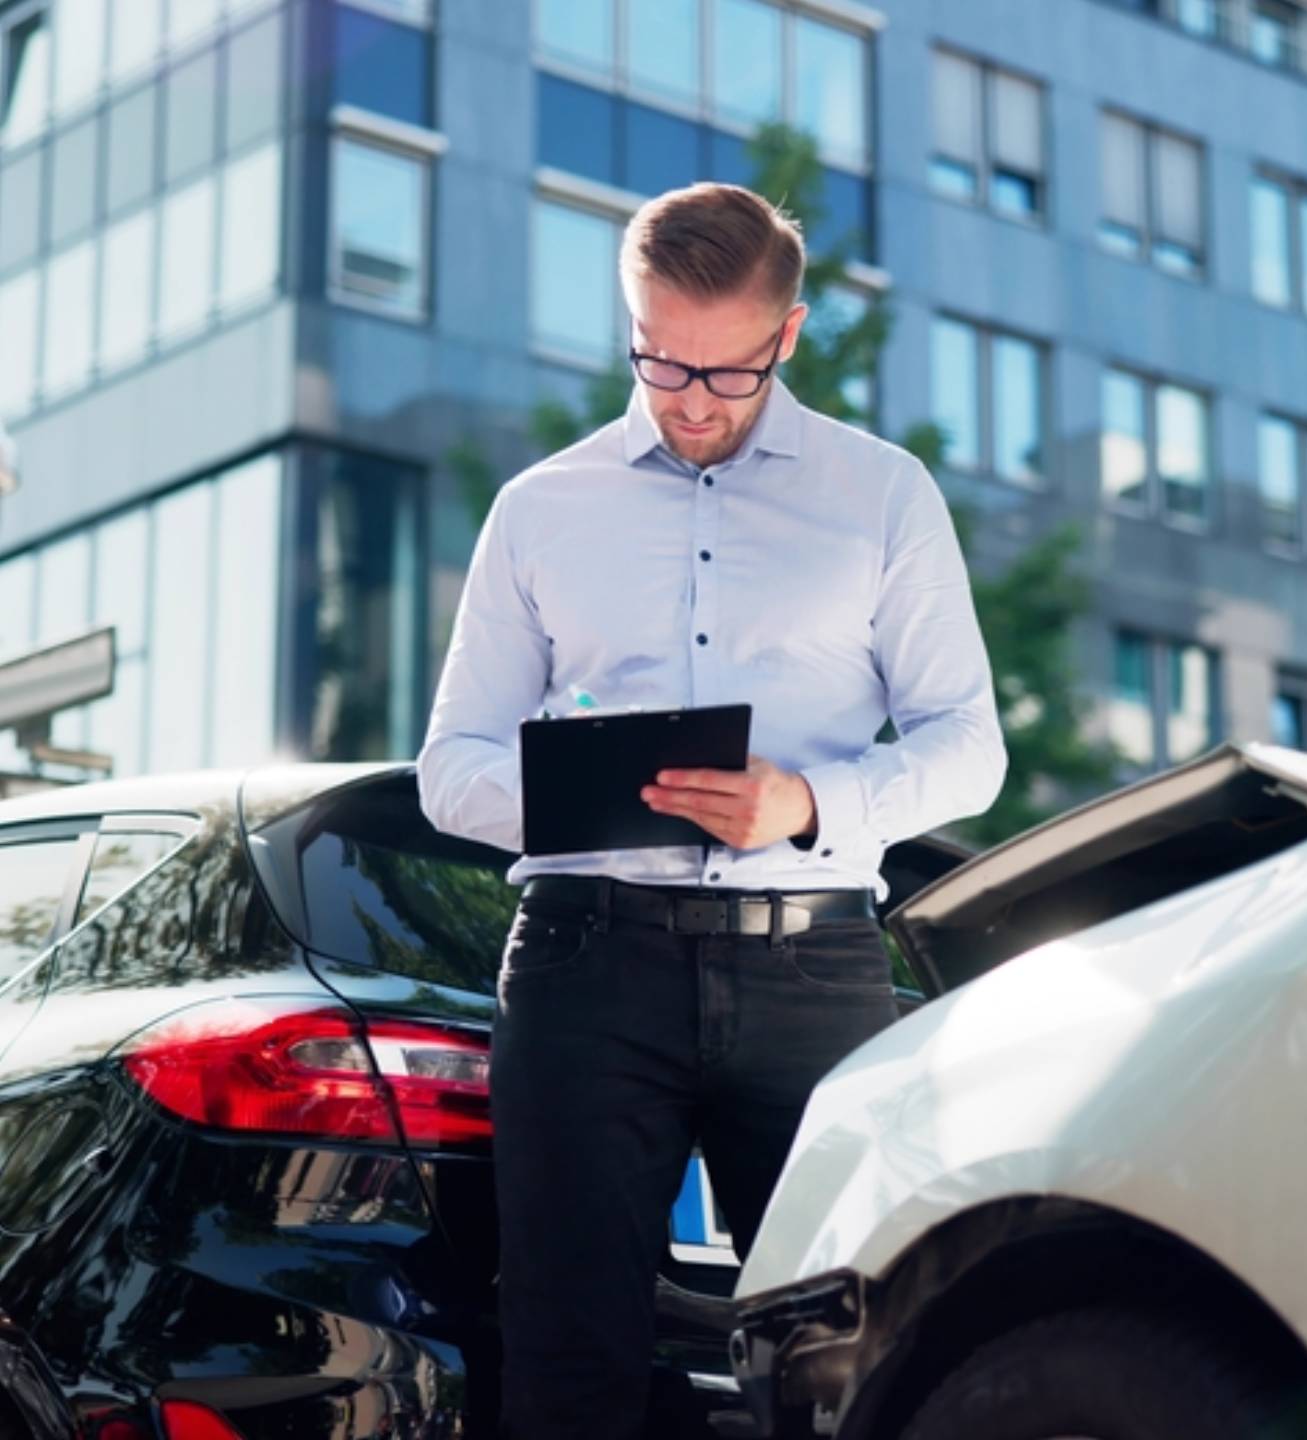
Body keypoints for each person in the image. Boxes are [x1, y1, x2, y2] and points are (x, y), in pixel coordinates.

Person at [416, 182, 1007, 1437]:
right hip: (584, 970)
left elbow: (970, 749)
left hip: (814, 973)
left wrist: (810, 802)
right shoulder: (540, 509)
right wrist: (595, 799)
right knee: (567, 1364)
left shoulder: (884, 496)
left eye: (727, 373)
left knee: (853, 1364)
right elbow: (450, 768)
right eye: (658, 360)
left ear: (786, 335)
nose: (688, 401)